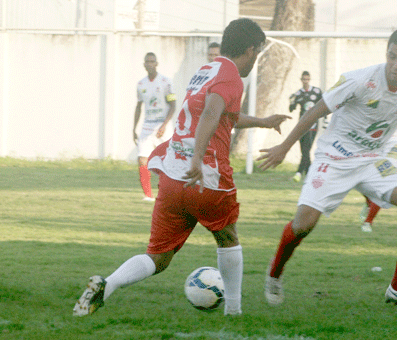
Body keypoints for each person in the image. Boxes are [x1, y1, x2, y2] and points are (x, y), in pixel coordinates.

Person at [257, 28, 397, 309]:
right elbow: (316, 111)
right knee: (303, 225)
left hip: (371, 160)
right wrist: (284, 147)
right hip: (334, 157)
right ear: (386, 53)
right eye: (392, 56)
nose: (395, 65)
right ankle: (275, 273)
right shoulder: (360, 79)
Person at [73, 18, 290, 317]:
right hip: (204, 174)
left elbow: (223, 115)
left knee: (159, 257)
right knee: (228, 238)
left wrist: (263, 122)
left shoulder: (207, 70)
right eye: (258, 53)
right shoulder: (231, 77)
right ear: (250, 49)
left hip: (174, 175)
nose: (256, 60)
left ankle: (106, 285)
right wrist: (198, 159)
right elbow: (212, 113)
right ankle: (235, 313)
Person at [133, 52, 177, 201]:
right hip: (147, 127)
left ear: (156, 64)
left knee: (168, 161)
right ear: (144, 65)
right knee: (142, 159)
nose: (150, 64)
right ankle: (148, 195)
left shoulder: (166, 82)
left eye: (152, 61)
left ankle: (169, 193)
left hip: (162, 127)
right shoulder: (140, 84)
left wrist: (164, 125)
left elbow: (173, 105)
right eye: (147, 61)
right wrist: (134, 128)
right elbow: (139, 106)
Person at [288, 71, 323, 182]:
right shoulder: (299, 94)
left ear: (310, 79)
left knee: (306, 149)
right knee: (304, 150)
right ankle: (309, 174)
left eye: (307, 79)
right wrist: (291, 101)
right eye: (304, 79)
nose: (305, 81)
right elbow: (291, 109)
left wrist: (325, 120)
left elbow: (324, 105)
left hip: (313, 125)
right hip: (302, 125)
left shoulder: (317, 92)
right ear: (301, 80)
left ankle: (298, 172)